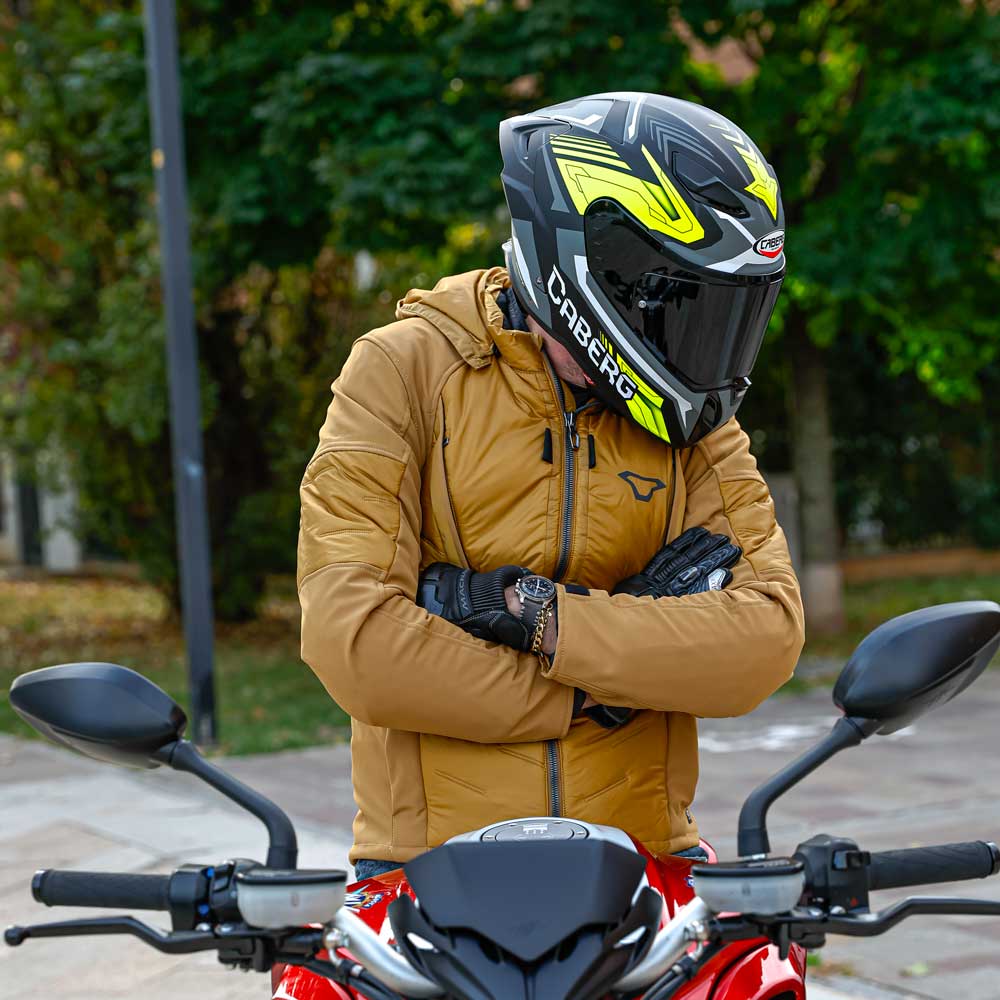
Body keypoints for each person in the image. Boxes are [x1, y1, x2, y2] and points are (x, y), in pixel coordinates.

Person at [297, 92, 804, 882]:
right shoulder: (403, 371)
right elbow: (355, 642)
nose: (706, 349)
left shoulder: (692, 420)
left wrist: (530, 614)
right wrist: (601, 686)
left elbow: (765, 639)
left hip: (644, 866)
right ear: (588, 267)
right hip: (427, 869)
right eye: (685, 306)